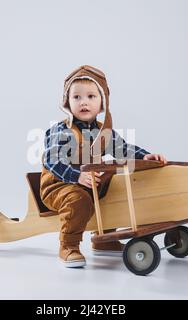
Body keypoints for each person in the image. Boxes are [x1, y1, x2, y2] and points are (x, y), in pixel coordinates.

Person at [40, 65, 167, 267]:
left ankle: (105, 239)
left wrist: (146, 156)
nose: (84, 102)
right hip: (59, 186)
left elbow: (123, 150)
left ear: (102, 105)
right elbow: (52, 160)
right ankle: (68, 245)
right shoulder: (61, 130)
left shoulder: (102, 131)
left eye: (91, 96)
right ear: (67, 103)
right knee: (78, 199)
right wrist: (76, 177)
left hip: (90, 183)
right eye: (77, 97)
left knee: (115, 185)